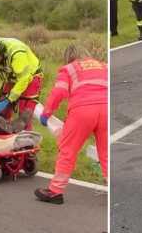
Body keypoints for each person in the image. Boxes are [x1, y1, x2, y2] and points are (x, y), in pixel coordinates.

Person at [35, 45, 107, 204]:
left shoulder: (69, 68)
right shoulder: (103, 66)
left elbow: (59, 92)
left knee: (67, 151)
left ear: (69, 56)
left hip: (82, 111)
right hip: (106, 108)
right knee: (106, 152)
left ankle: (55, 191)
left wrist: (46, 113)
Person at [0, 34, 42, 130]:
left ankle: (27, 142)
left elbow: (24, 79)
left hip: (30, 77)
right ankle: (3, 137)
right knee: (1, 114)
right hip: (10, 76)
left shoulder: (17, 52)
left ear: (0, 50)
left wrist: (9, 99)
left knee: (24, 116)